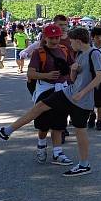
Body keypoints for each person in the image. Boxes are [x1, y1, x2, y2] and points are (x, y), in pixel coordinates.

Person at [0, 27, 101, 177]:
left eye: (71, 41)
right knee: (41, 106)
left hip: (82, 99)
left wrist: (82, 93)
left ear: (79, 41)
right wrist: (73, 70)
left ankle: (84, 165)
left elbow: (100, 77)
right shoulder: (79, 54)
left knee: (80, 130)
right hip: (69, 93)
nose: (69, 44)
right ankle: (6, 131)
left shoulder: (94, 53)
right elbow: (74, 79)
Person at [28, 23, 73, 165]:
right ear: (45, 37)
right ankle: (41, 145)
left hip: (62, 89)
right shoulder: (38, 52)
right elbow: (31, 73)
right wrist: (46, 75)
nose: (55, 40)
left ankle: (57, 153)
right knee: (43, 124)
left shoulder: (64, 50)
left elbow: (72, 66)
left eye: (57, 37)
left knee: (59, 123)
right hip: (45, 90)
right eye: (52, 37)